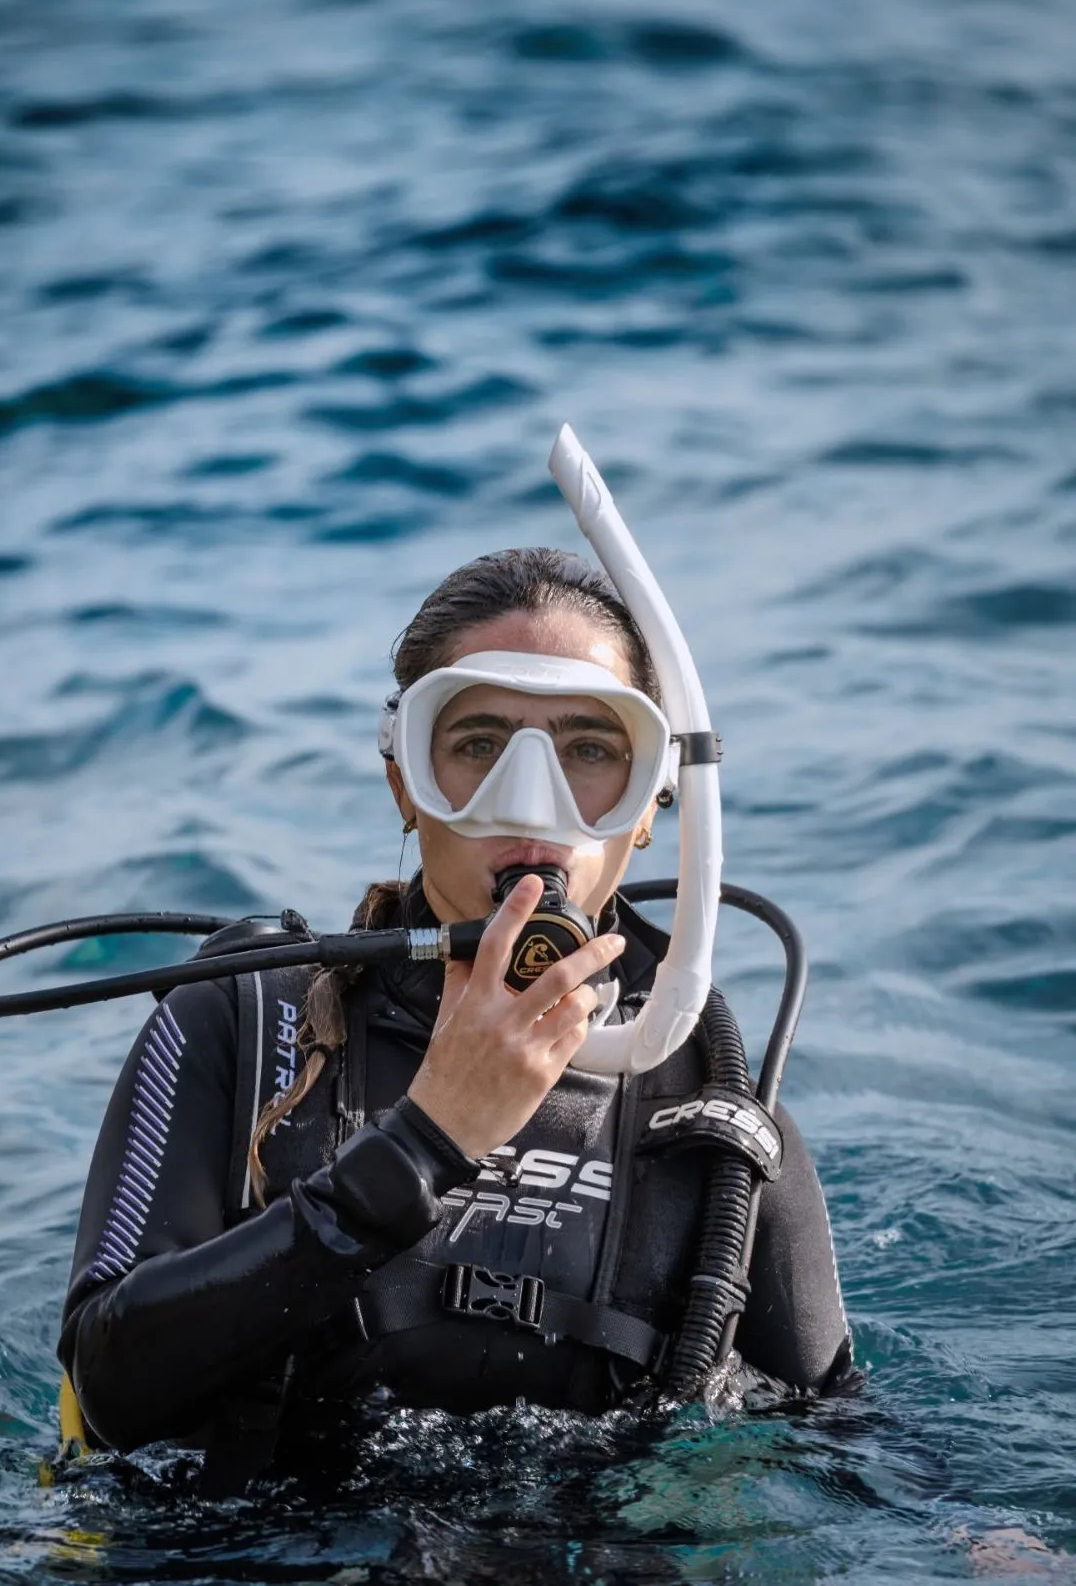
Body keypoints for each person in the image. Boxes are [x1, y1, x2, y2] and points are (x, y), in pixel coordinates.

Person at [57, 544, 853, 1482]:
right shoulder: (245, 1024)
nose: (532, 806)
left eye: (590, 751)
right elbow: (108, 1392)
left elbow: (843, 1445)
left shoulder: (714, 1119)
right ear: (405, 781)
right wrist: (426, 1144)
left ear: (649, 805)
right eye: (477, 745)